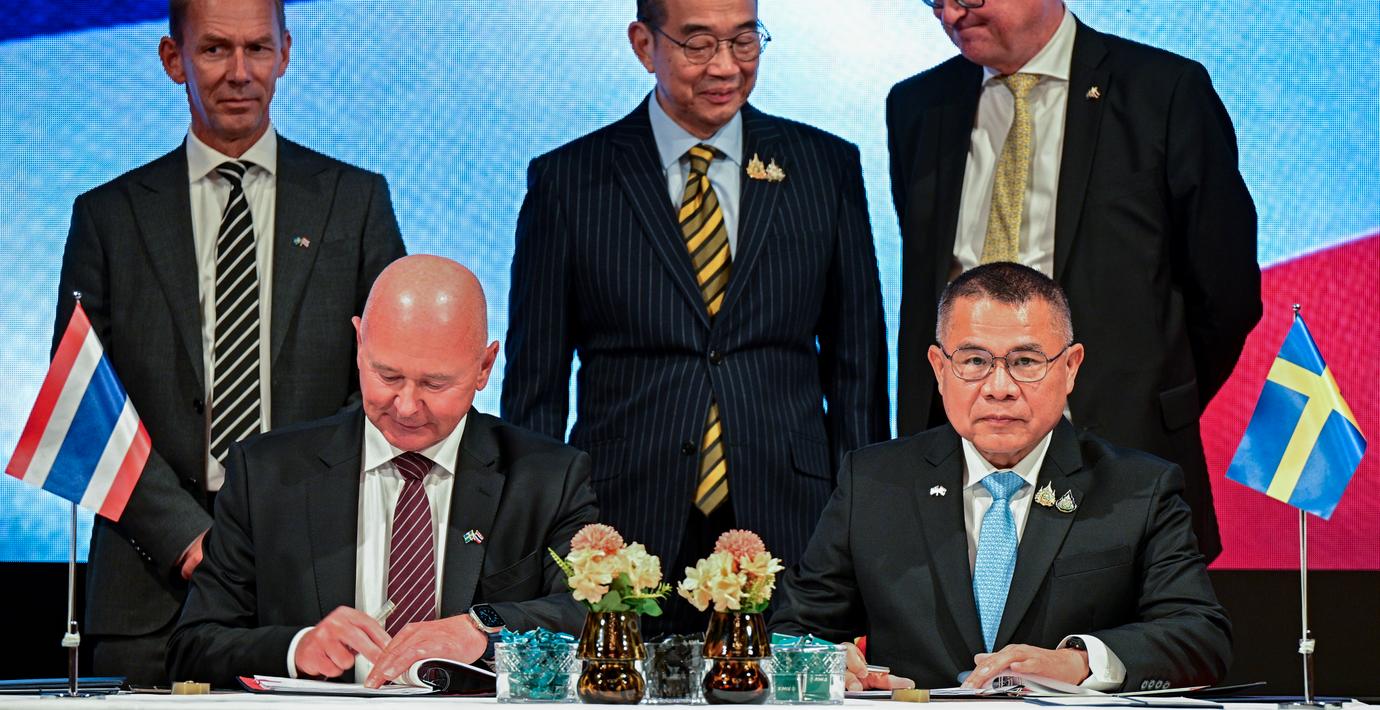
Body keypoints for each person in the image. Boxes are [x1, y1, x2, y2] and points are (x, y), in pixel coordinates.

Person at [501, 0, 889, 635]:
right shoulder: (569, 180)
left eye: (744, 41)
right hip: (621, 517)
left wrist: (864, 529)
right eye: (698, 44)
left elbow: (858, 368)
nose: (726, 67)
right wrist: (531, 542)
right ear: (643, 44)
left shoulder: (825, 166)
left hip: (792, 513)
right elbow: (534, 386)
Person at [52, 0, 405, 684]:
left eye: (258, 49)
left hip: (315, 580)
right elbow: (83, 403)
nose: (240, 72)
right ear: (173, 59)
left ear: (285, 53)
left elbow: (387, 385)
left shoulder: (356, 202)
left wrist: (282, 525)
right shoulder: (108, 216)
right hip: (147, 590)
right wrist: (186, 537)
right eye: (215, 49)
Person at [887, 0, 1260, 562]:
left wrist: (1148, 395)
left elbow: (1225, 292)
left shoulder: (1163, 92)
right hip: (955, 462)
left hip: (1119, 450)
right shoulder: (918, 104)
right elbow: (926, 288)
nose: (952, 14)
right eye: (935, 0)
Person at [772, 263, 1231, 693]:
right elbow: (792, 631)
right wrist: (830, 661)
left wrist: (1079, 661)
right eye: (974, 361)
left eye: (1026, 361)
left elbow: (1199, 635)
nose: (999, 388)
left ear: (1070, 367)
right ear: (939, 368)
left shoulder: (1139, 489)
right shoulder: (873, 482)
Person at [167, 255, 599, 689]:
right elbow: (194, 646)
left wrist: (481, 629)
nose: (407, 406)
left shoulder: (548, 478)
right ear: (359, 344)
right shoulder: (265, 473)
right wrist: (296, 648)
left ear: (484, 367)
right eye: (387, 375)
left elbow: (594, 615)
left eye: (434, 384)